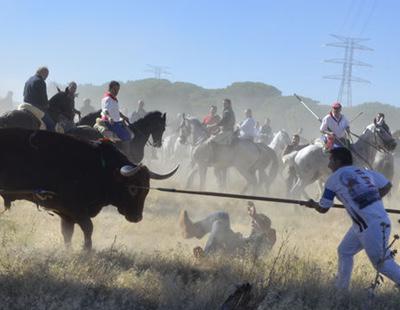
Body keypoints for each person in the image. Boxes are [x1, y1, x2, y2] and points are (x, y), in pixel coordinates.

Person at [304, 147, 400, 290]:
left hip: (371, 226)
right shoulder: (363, 171)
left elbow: (323, 208)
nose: (329, 165)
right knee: (344, 251)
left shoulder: (333, 180)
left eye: (331, 161)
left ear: (338, 161)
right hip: (366, 224)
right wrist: (371, 198)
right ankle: (341, 290)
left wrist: (312, 205)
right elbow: (387, 184)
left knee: (381, 263)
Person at [179, 201, 276, 258]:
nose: (253, 221)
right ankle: (194, 230)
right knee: (222, 217)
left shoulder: (268, 237)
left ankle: (206, 257)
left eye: (256, 221)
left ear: (264, 225)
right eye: (253, 220)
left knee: (220, 221)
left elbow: (269, 233)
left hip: (235, 249)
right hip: (233, 243)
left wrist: (255, 217)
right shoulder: (256, 234)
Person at [23, 66, 55, 131]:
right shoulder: (40, 81)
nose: (46, 77)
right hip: (35, 107)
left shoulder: (28, 80)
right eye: (46, 74)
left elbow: (24, 94)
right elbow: (43, 98)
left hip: (24, 105)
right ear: (42, 72)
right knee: (51, 124)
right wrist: (47, 105)